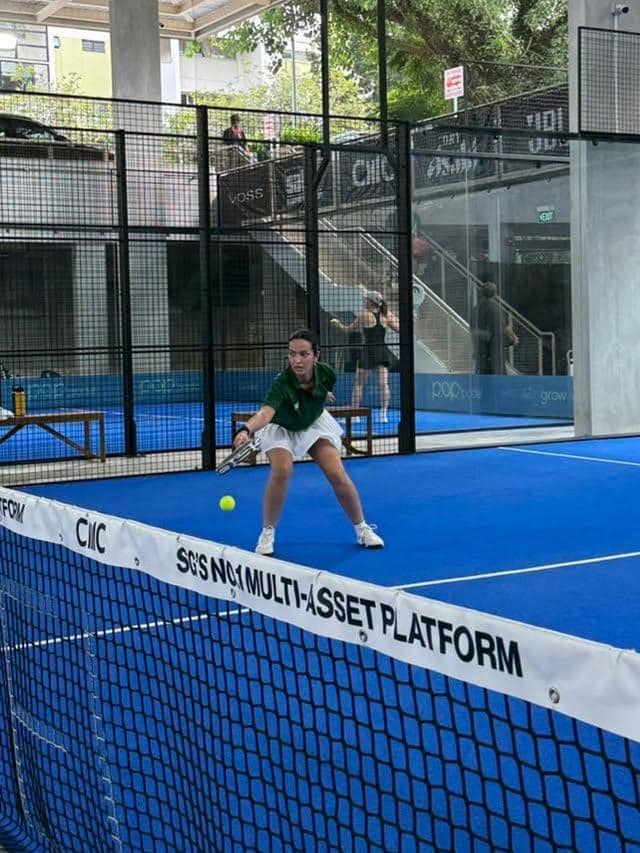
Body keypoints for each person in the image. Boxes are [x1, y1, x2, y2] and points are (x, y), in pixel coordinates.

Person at [233, 329, 384, 556]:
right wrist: (247, 429)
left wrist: (324, 395)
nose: (297, 360)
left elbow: (324, 387)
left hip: (313, 422)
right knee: (282, 469)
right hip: (282, 428)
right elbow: (265, 414)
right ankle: (267, 532)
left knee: (336, 472)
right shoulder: (281, 384)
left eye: (303, 354)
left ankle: (362, 528)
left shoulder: (327, 373)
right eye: (292, 354)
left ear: (316, 356)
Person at [330, 291, 400, 422]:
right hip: (382, 352)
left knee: (358, 384)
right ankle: (383, 415)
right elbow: (400, 328)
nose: (363, 301)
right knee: (384, 384)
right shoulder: (387, 315)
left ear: (370, 302)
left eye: (365, 299)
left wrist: (337, 323)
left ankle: (355, 415)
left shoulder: (364, 316)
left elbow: (348, 329)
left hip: (368, 352)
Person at [472, 282, 507, 375]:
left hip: (481, 352)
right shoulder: (496, 308)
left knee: (483, 382)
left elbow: (473, 329)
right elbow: (501, 329)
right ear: (494, 293)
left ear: (481, 293)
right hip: (494, 353)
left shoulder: (475, 309)